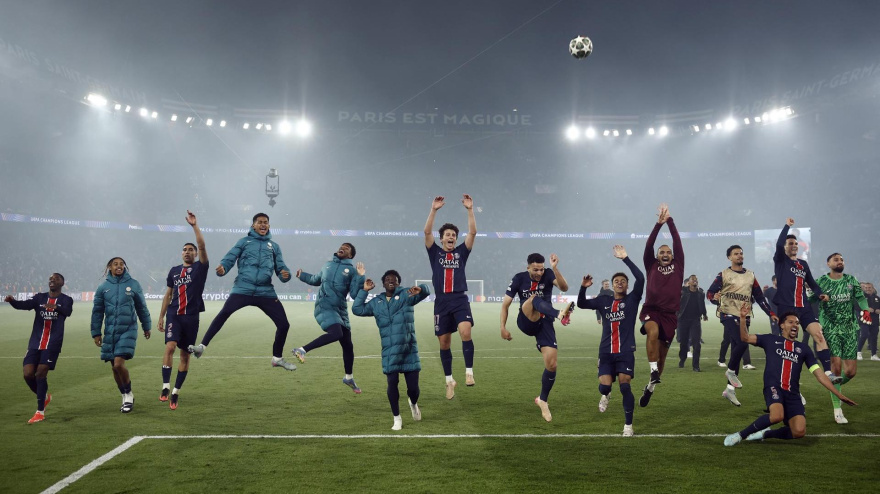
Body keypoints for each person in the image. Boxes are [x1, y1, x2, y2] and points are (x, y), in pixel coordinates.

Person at [723, 305, 856, 446]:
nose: (795, 325)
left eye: (797, 323)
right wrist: (743, 318)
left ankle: (765, 433)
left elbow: (819, 375)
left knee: (799, 432)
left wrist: (839, 395)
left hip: (793, 394)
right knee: (776, 416)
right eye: (791, 322)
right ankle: (739, 435)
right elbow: (745, 337)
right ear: (782, 325)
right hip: (774, 387)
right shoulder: (770, 340)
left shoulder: (804, 349)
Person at [188, 213, 297, 371]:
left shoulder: (274, 246)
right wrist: (223, 268)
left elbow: (281, 268)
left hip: (265, 291)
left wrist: (285, 275)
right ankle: (201, 347)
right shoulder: (244, 241)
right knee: (224, 313)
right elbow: (230, 258)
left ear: (269, 226)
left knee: (284, 325)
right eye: (259, 222)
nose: (263, 225)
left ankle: (277, 358)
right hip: (243, 288)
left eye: (265, 222)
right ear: (253, 225)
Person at [577, 245, 644, 437]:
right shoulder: (603, 300)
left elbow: (641, 278)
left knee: (625, 386)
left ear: (627, 285)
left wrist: (626, 258)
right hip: (606, 352)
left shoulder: (632, 300)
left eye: (623, 281)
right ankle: (605, 394)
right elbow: (581, 304)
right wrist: (583, 287)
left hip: (625, 352)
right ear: (612, 285)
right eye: (616, 281)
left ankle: (628, 426)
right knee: (605, 386)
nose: (620, 283)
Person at [500, 253, 575, 422]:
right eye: (535, 270)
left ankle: (542, 399)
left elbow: (564, 288)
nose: (540, 273)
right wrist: (503, 327)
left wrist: (555, 268)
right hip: (526, 320)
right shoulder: (519, 279)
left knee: (552, 364)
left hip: (545, 322)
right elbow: (505, 304)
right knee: (534, 298)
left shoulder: (549, 273)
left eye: (541, 269)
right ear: (528, 267)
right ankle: (560, 314)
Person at [352, 269, 430, 430]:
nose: (391, 281)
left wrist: (421, 289)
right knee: (392, 383)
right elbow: (357, 309)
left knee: (413, 389)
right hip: (389, 351)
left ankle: (413, 403)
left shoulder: (406, 296)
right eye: (387, 279)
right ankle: (397, 418)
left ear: (398, 282)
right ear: (383, 283)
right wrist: (364, 291)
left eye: (394, 279)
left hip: (409, 349)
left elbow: (425, 292)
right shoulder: (377, 302)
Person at [707, 245, 777, 407]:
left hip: (744, 316)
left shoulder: (750, 275)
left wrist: (771, 313)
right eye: (736, 254)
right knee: (743, 342)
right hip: (727, 313)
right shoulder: (723, 274)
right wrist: (715, 297)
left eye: (741, 253)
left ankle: (730, 390)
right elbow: (710, 293)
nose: (739, 256)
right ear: (729, 257)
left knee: (737, 350)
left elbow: (759, 297)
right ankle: (730, 372)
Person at [291, 243, 365, 393]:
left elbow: (356, 294)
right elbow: (315, 280)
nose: (342, 247)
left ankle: (349, 378)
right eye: (341, 246)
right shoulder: (327, 265)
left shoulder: (352, 271)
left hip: (340, 310)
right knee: (336, 333)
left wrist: (361, 277)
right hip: (325, 305)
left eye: (347, 248)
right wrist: (302, 275)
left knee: (348, 346)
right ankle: (302, 350)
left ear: (350, 255)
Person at [772, 218, 838, 382]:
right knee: (788, 345)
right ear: (785, 247)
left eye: (795, 243)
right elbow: (779, 245)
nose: (794, 245)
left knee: (819, 335)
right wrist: (787, 226)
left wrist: (820, 293)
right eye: (790, 243)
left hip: (804, 307)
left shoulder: (802, 264)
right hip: (787, 307)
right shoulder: (781, 260)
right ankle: (786, 379)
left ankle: (828, 373)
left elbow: (812, 283)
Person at [424, 194, 477, 399]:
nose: (451, 237)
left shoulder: (462, 253)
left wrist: (470, 210)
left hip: (459, 299)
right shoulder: (434, 253)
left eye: (453, 235)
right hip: (441, 302)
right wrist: (434, 210)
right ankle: (449, 380)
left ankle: (469, 373)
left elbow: (472, 232)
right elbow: (427, 231)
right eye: (447, 234)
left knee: (466, 332)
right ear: (442, 238)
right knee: (444, 343)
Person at [809, 253, 870, 424]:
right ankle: (838, 409)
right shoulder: (822, 281)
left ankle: (832, 388)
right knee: (835, 370)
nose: (840, 261)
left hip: (850, 329)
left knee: (850, 372)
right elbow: (810, 298)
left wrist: (865, 310)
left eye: (842, 259)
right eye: (836, 259)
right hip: (830, 329)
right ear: (828, 263)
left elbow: (860, 297)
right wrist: (818, 296)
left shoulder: (851, 279)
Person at [156, 211, 208, 410]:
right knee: (169, 347)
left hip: (192, 318)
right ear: (181, 253)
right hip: (174, 315)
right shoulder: (174, 271)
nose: (187, 252)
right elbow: (168, 294)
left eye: (190, 250)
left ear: (195, 254)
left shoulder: (200, 269)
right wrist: (161, 316)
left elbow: (202, 245)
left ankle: (176, 392)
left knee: (185, 355)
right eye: (184, 249)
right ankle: (165, 387)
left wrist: (194, 226)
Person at [5, 273, 73, 424]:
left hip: (53, 343)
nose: (52, 280)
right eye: (50, 278)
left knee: (41, 373)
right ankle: (44, 397)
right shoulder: (39, 298)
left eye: (56, 278)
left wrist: (56, 307)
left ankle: (40, 412)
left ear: (62, 282)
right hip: (35, 343)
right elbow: (23, 305)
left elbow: (67, 312)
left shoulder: (66, 300)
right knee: (28, 374)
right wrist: (12, 301)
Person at [90, 258, 152, 413]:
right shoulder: (103, 287)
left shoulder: (134, 284)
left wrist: (147, 326)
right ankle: (124, 395)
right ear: (109, 267)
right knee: (114, 368)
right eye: (115, 264)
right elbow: (97, 312)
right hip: (110, 331)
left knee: (118, 364)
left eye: (121, 264)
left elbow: (141, 307)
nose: (119, 266)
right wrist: (96, 332)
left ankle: (129, 394)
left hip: (128, 329)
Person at [638, 203, 684, 407]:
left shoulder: (679, 265)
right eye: (661, 252)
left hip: (670, 315)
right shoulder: (651, 265)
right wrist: (658, 225)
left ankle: (650, 387)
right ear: (656, 256)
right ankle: (652, 368)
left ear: (673, 256)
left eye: (668, 252)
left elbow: (677, 241)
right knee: (652, 332)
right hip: (651, 310)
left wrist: (671, 221)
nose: (665, 254)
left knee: (663, 356)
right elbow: (648, 246)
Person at [676, 275, 707, 371]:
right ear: (688, 282)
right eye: (692, 279)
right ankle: (682, 358)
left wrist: (704, 314)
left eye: (696, 279)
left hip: (695, 320)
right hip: (683, 320)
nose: (695, 280)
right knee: (684, 343)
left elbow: (702, 304)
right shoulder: (682, 291)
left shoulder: (701, 293)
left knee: (696, 343)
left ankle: (696, 366)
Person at [857, 282, 880, 361]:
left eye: (869, 287)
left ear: (872, 288)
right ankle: (858, 352)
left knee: (874, 337)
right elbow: (856, 307)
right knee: (864, 334)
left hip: (875, 320)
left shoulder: (877, 298)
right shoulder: (860, 297)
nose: (867, 289)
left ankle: (873, 355)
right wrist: (866, 308)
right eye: (866, 288)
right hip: (864, 320)